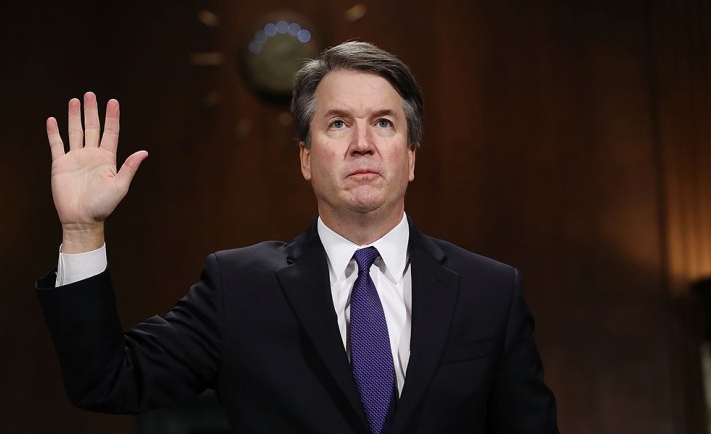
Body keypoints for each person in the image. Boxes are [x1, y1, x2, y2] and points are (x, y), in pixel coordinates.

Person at [36, 41, 559, 434]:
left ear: (411, 156)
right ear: (306, 158)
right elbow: (107, 379)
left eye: (383, 122)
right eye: (337, 124)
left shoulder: (491, 291)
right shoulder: (237, 288)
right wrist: (82, 230)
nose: (361, 144)